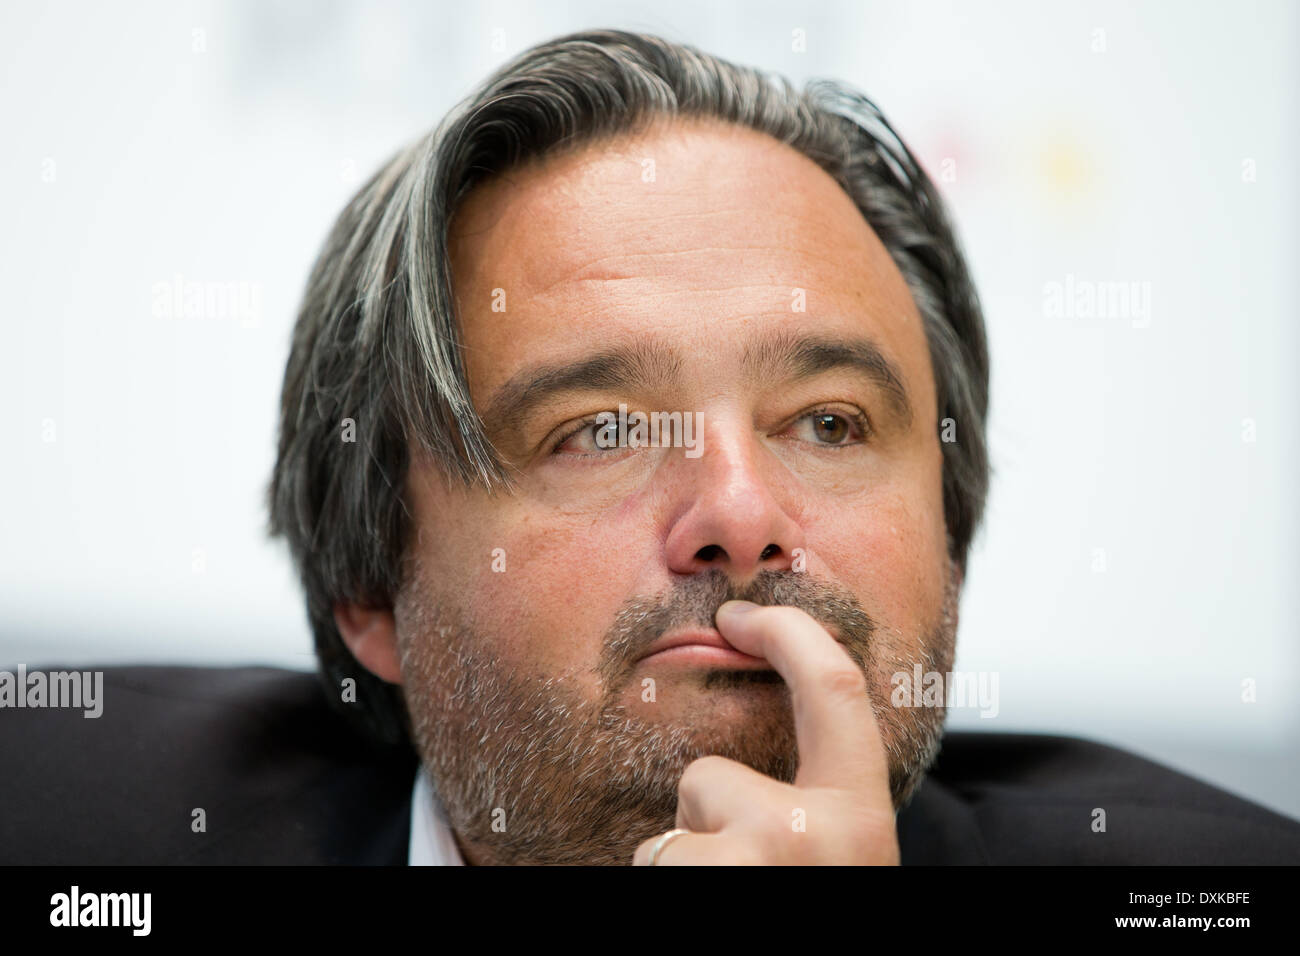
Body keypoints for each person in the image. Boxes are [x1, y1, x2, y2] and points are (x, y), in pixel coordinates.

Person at [5, 29, 1297, 866]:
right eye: (600, 430)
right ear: (368, 586)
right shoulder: (58, 818)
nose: (740, 511)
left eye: (831, 422)